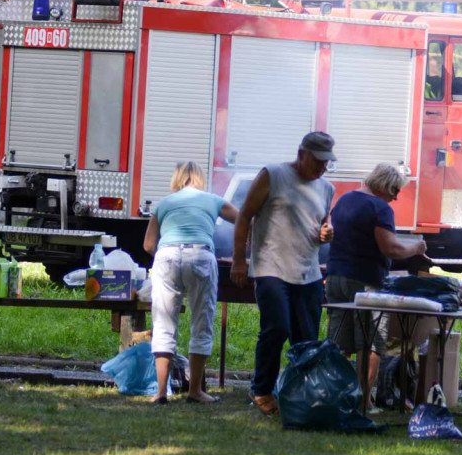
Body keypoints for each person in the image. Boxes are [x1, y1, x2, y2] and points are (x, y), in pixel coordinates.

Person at [231, 132, 336, 417]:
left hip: (308, 271)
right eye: (317, 161)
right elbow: (244, 216)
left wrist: (327, 231)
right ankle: (261, 389)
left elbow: (323, 221)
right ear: (301, 153)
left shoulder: (326, 188)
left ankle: (300, 393)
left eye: (326, 163)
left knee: (307, 338)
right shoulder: (272, 175)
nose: (321, 168)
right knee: (276, 328)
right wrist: (240, 260)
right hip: (271, 266)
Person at [325, 164, 429, 407]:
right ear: (384, 185)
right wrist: (416, 248)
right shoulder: (380, 208)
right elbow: (389, 248)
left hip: (336, 278)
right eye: (395, 189)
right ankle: (363, 401)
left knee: (339, 341)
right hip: (365, 283)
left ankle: (336, 397)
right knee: (370, 342)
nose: (396, 196)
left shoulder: (345, 199)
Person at [143, 161, 238, 404]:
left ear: (176, 178)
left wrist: (167, 258)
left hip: (167, 257)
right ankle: (195, 391)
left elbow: (148, 245)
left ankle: (161, 392)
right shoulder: (213, 199)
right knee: (201, 322)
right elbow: (243, 220)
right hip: (200, 256)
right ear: (200, 178)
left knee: (164, 323)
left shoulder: (164, 203)